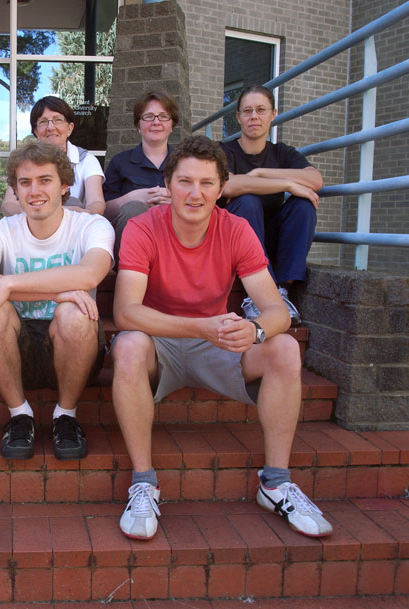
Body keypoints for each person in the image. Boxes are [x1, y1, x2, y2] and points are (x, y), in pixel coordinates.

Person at [111, 135, 331, 540]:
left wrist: (256, 329)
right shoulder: (142, 227)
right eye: (185, 181)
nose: (195, 193)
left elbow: (277, 311)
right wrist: (199, 326)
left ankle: (276, 483)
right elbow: (126, 312)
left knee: (284, 347)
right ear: (168, 183)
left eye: (206, 183)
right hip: (161, 343)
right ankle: (144, 483)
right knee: (127, 345)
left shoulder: (237, 229)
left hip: (220, 343)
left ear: (221, 188)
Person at [0, 142, 114, 461]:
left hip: (75, 346)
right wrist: (58, 291)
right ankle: (20, 415)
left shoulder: (92, 226)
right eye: (25, 182)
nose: (34, 191)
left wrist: (7, 283)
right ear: (16, 190)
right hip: (13, 348)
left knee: (74, 312)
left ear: (64, 186)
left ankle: (66, 416)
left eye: (45, 180)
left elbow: (89, 275)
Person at [220, 85, 323, 324]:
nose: (254, 116)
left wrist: (261, 173)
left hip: (272, 240)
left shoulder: (282, 153)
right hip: (235, 242)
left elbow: (315, 180)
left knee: (303, 204)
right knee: (247, 201)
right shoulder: (224, 151)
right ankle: (258, 296)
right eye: (247, 111)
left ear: (273, 114)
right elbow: (227, 185)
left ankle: (281, 292)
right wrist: (287, 183)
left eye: (261, 110)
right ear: (238, 117)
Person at [1, 96, 106, 217]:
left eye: (58, 120)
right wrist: (40, 214)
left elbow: (96, 202)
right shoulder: (23, 160)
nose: (50, 127)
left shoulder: (87, 160)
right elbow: (8, 205)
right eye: (43, 122)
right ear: (36, 132)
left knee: (72, 201)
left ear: (69, 128)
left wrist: (73, 214)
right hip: (32, 222)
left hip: (75, 222)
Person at [103, 90, 177, 257]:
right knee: (134, 208)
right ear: (138, 125)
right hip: (131, 248)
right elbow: (104, 211)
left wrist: (177, 199)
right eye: (148, 117)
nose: (156, 122)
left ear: (172, 125)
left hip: (173, 244)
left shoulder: (185, 163)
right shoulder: (120, 162)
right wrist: (131, 198)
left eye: (163, 116)